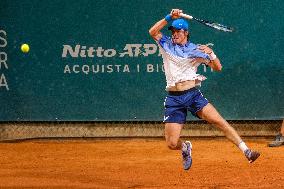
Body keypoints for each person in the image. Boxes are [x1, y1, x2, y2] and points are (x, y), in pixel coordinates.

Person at [149, 9, 260, 170]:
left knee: (219, 121)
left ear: (186, 32)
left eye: (178, 31)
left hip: (193, 95)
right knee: (172, 143)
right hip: (174, 98)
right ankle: (185, 147)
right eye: (173, 31)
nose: (174, 34)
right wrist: (169, 17)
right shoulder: (165, 43)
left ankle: (247, 151)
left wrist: (212, 54)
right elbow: (152, 31)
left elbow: (218, 68)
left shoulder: (197, 49)